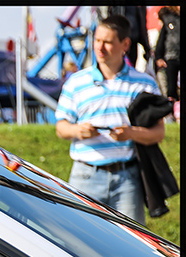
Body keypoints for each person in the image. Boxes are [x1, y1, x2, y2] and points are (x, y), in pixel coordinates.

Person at [55, 15, 164, 225]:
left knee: (130, 244)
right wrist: (78, 130)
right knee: (80, 241)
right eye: (97, 40)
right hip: (85, 176)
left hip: (127, 178)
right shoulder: (76, 82)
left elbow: (159, 133)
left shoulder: (145, 84)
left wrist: (131, 134)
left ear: (125, 44)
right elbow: (61, 128)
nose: (100, 47)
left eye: (107, 42)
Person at [154, 6, 180, 102]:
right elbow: (161, 40)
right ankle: (172, 107)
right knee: (171, 87)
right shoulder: (169, 19)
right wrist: (159, 57)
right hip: (171, 56)